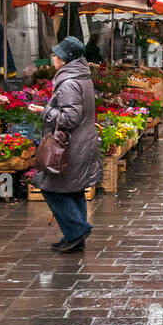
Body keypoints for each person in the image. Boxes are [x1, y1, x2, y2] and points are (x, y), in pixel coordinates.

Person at [32, 36, 102, 253]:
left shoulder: (69, 82)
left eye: (56, 54)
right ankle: (75, 239)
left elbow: (70, 118)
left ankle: (77, 230)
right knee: (74, 190)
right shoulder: (81, 77)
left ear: (65, 59)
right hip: (82, 142)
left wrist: (43, 111)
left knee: (50, 188)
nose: (53, 57)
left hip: (70, 146)